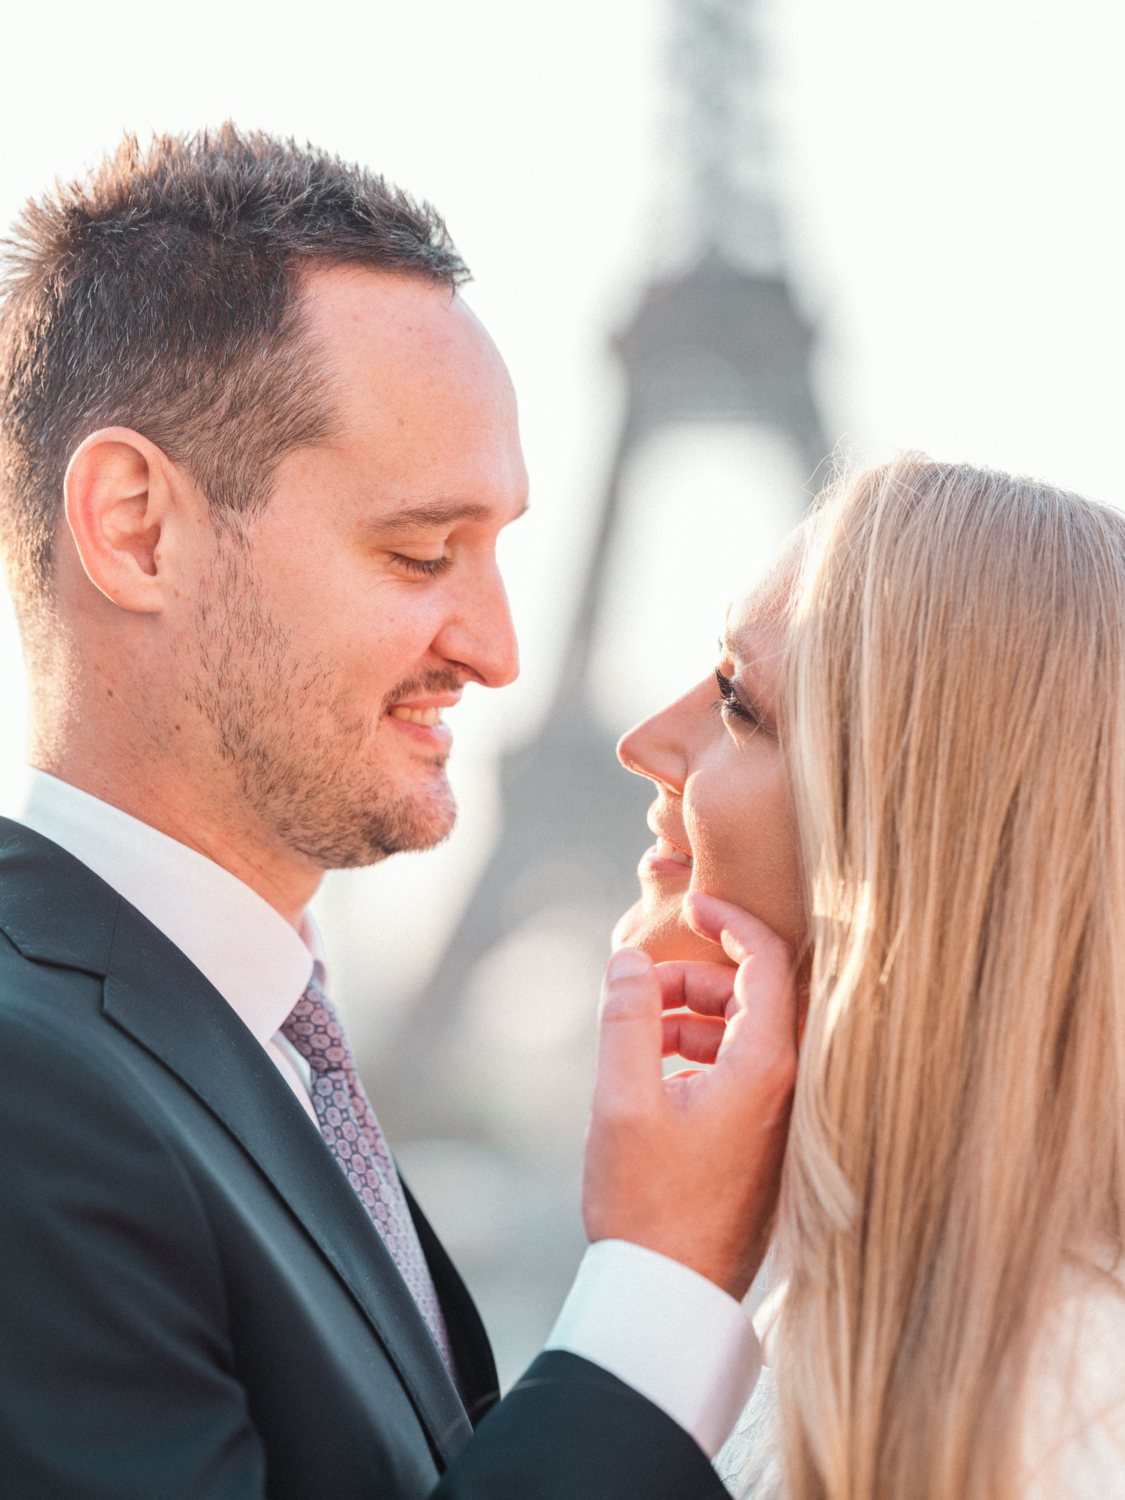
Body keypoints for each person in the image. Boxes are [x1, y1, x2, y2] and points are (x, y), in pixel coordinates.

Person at [0, 125, 800, 1498]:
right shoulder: (28, 1091)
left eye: (497, 551)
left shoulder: (250, 1059)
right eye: (420, 552)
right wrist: (658, 1284)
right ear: (136, 528)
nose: (498, 650)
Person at [609, 454, 1125, 1499]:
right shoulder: (874, 1339)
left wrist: (646, 1280)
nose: (644, 740)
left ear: (912, 841)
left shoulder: (1057, 1399)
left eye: (740, 705)